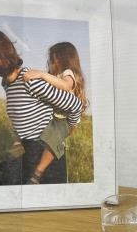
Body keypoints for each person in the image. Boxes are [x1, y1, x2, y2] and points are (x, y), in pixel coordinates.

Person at [0, 29, 83, 184]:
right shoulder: (7, 83)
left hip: (45, 155)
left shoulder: (29, 80)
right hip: (26, 151)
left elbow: (75, 105)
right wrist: (17, 141)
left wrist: (64, 132)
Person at [23, 42, 89, 184]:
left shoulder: (68, 73)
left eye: (52, 58)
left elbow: (65, 85)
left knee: (53, 140)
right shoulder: (55, 75)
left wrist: (41, 74)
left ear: (61, 58)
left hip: (64, 119)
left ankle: (37, 173)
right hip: (55, 117)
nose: (50, 62)